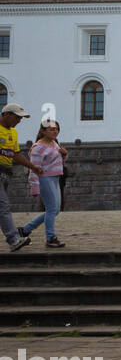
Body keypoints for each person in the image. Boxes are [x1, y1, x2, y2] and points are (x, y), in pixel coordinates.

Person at [0, 104, 43, 252]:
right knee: (3, 206)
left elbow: (16, 155)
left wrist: (33, 167)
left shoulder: (13, 133)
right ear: (6, 114)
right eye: (17, 117)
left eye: (21, 118)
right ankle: (13, 239)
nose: (19, 120)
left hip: (5, 173)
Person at [20, 119, 67, 248]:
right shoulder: (38, 147)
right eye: (52, 129)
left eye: (56, 129)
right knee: (52, 209)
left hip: (55, 178)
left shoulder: (54, 143)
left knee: (55, 210)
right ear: (43, 130)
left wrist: (64, 155)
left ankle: (25, 229)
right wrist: (34, 187)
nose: (55, 131)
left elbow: (57, 161)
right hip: (45, 179)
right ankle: (50, 237)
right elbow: (34, 168)